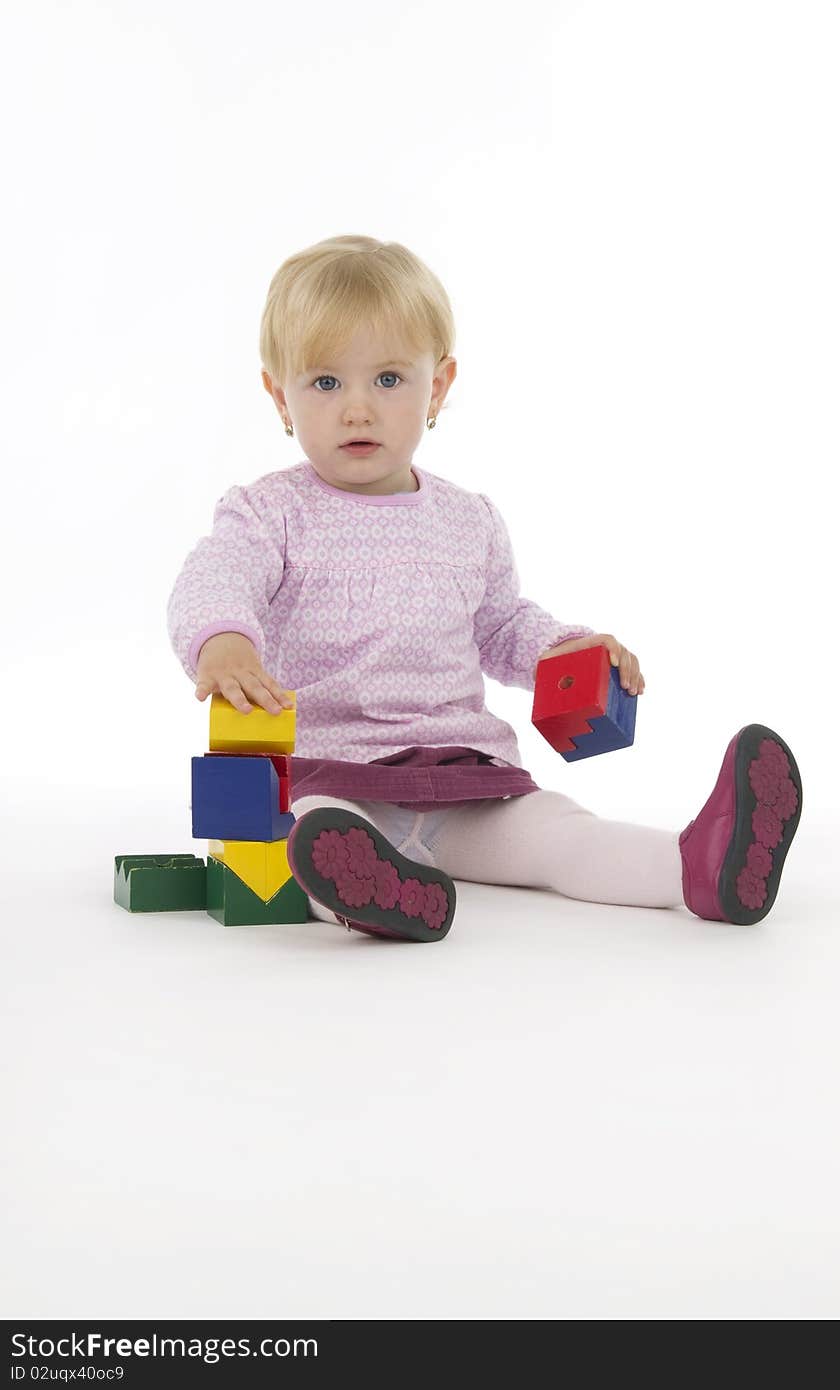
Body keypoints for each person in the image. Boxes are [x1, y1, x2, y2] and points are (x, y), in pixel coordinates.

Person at [167, 234, 802, 942]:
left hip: (466, 777)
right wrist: (223, 641)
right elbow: (217, 572)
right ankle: (375, 891)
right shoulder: (269, 512)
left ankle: (698, 865)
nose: (357, 409)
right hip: (334, 772)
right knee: (307, 833)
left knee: (559, 834)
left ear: (436, 386)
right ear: (277, 394)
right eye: (325, 382)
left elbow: (502, 626)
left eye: (387, 380)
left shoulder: (467, 519)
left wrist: (569, 649)